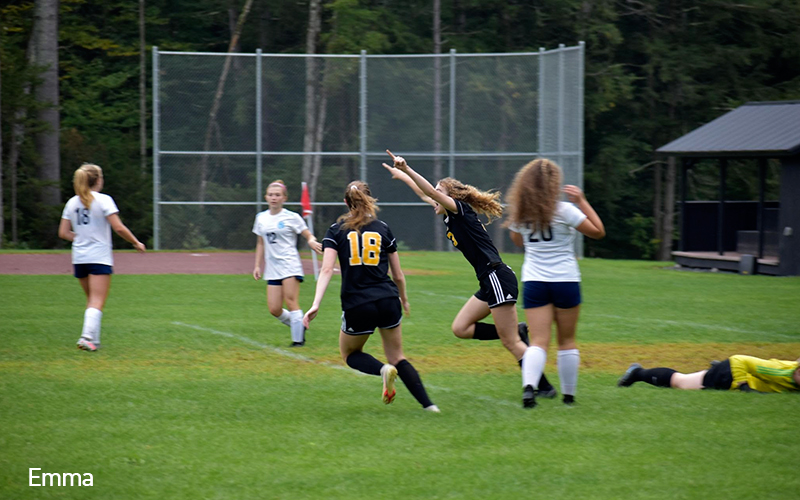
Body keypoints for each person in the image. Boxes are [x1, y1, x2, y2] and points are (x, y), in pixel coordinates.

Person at [382, 150, 556, 406]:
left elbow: (429, 192)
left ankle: (543, 386)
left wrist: (408, 169)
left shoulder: (459, 210)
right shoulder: (448, 212)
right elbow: (425, 193)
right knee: (460, 328)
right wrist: (403, 176)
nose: (434, 199)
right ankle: (517, 337)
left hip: (496, 275)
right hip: (489, 280)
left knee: (510, 342)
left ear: (449, 197)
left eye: (439, 193)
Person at [303, 181, 439, 412]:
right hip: (388, 299)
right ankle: (430, 406)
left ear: (346, 203)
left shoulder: (336, 230)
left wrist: (315, 303)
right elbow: (398, 274)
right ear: (370, 199)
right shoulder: (383, 228)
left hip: (358, 303)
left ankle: (382, 370)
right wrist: (403, 299)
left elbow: (326, 270)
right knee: (398, 356)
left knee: (350, 354)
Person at [505, 158, 605, 408]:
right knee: (567, 341)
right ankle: (569, 396)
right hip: (566, 279)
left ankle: (529, 388)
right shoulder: (565, 210)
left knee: (538, 341)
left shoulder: (521, 212)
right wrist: (581, 201)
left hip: (535, 281)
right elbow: (598, 231)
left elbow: (517, 241)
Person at [58, 163, 146, 351]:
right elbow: (119, 227)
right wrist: (135, 242)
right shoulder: (104, 200)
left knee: (92, 300)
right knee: (97, 301)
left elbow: (64, 233)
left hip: (80, 258)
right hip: (98, 257)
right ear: (98, 180)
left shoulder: (72, 202)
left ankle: (93, 341)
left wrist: (81, 237)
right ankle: (86, 337)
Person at [253, 180, 322, 347]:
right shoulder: (261, 218)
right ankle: (299, 324)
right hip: (272, 267)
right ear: (266, 197)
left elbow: (307, 235)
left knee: (291, 301)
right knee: (274, 309)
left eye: (277, 195)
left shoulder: (292, 217)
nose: (273, 198)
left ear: (284, 198)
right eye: (270, 195)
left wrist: (312, 241)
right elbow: (260, 243)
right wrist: (257, 265)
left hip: (290, 264)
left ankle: (298, 341)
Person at [617, 355, 800, 393]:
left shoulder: (794, 379)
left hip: (730, 374)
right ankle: (637, 372)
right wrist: (741, 385)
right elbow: (740, 360)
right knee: (681, 382)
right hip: (729, 373)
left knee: (684, 382)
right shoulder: (783, 372)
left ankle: (637, 373)